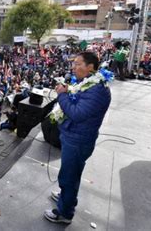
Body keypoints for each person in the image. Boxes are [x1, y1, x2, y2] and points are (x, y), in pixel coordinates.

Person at [44, 52, 111, 224]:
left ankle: (64, 213)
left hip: (78, 140)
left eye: (78, 64)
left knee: (69, 176)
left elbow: (77, 113)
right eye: (74, 64)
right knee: (71, 174)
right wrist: (68, 91)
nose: (74, 67)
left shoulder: (98, 90)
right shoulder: (88, 83)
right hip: (74, 136)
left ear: (90, 67)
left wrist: (62, 94)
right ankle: (66, 197)